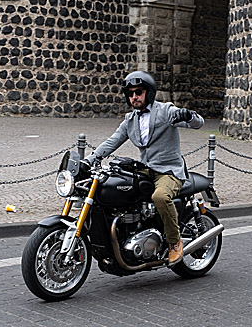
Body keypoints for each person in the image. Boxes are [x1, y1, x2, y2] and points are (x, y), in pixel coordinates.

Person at [86, 71, 204, 264]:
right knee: (114, 185)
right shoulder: (130, 120)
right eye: (130, 93)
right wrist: (90, 159)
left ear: (148, 92)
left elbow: (198, 123)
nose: (134, 96)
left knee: (160, 197)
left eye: (138, 92)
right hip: (146, 169)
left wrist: (189, 115)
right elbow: (112, 141)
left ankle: (175, 242)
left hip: (169, 170)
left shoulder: (165, 111)